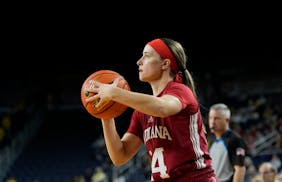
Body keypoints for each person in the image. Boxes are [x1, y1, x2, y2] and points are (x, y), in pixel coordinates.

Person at [85, 38, 218, 182]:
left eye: (147, 55)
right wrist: (106, 115)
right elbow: (119, 156)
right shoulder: (142, 111)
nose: (139, 61)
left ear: (165, 64)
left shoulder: (180, 90)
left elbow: (162, 107)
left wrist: (114, 93)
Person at [208, 103, 247, 182]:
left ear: (227, 120)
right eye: (210, 118)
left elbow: (240, 169)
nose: (212, 122)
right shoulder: (211, 141)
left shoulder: (236, 140)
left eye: (216, 118)